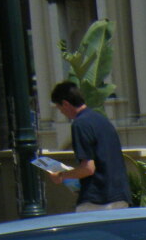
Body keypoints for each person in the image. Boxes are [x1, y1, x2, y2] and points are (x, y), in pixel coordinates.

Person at [49, 81, 130, 210]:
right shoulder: (102, 120)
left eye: (60, 109)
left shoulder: (80, 124)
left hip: (97, 199)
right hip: (120, 195)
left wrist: (61, 176)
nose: (62, 113)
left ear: (65, 104)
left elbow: (88, 168)